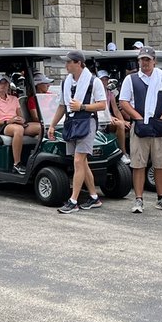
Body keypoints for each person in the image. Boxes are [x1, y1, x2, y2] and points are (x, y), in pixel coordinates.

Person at [118, 46, 162, 213]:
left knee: (161, 164)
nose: (144, 63)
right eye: (141, 60)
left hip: (159, 125)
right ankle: (138, 199)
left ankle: (161, 198)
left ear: (154, 61)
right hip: (140, 125)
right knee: (138, 163)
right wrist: (137, 117)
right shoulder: (131, 79)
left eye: (147, 60)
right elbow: (124, 102)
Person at [47, 50, 107, 213]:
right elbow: (62, 105)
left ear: (78, 63)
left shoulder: (94, 82)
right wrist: (52, 125)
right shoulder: (66, 82)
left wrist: (82, 107)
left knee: (78, 161)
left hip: (87, 122)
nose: (66, 65)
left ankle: (73, 201)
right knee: (81, 162)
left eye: (68, 62)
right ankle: (94, 197)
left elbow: (102, 105)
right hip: (71, 122)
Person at [0, 74, 41, 174]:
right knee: (18, 130)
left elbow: (21, 116)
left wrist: (21, 120)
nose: (3, 85)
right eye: (0, 83)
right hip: (2, 125)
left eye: (5, 83)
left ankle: (37, 158)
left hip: (15, 123)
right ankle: (17, 164)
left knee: (40, 127)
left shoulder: (14, 99)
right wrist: (8, 121)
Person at [98, 70, 132, 165]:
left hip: (107, 119)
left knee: (128, 125)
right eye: (102, 79)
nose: (104, 81)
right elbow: (99, 109)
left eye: (105, 79)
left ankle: (130, 152)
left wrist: (124, 121)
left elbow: (116, 110)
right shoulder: (94, 92)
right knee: (120, 125)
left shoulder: (110, 93)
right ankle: (123, 153)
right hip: (99, 121)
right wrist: (110, 117)